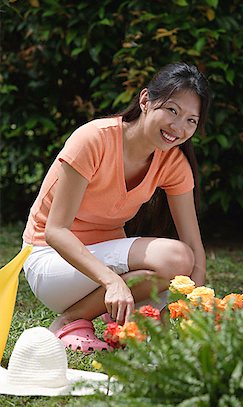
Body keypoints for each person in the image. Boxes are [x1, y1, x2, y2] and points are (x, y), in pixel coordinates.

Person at [22, 62, 211, 353]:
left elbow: (194, 247)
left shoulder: (173, 162)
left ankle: (110, 322)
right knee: (175, 257)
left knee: (157, 320)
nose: (179, 127)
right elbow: (55, 232)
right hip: (51, 264)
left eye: (191, 120)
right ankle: (69, 320)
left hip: (103, 264)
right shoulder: (94, 139)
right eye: (172, 110)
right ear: (145, 100)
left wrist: (193, 304)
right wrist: (111, 281)